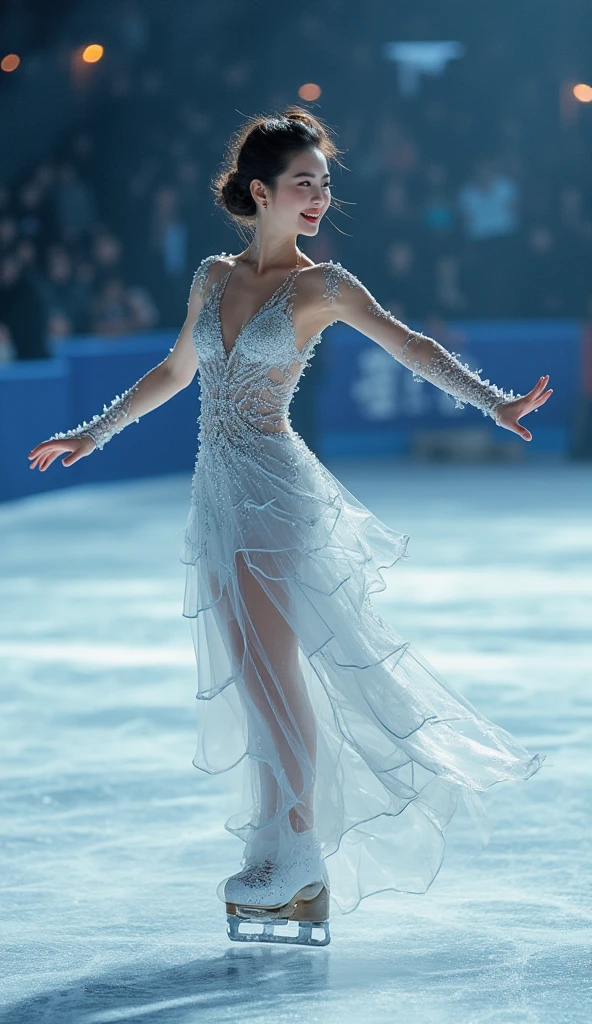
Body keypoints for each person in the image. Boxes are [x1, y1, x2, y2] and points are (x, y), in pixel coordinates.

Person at [28, 107, 552, 948]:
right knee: (255, 673)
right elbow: (174, 369)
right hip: (216, 492)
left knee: (277, 679)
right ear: (260, 192)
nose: (319, 198)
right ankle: (281, 848)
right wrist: (94, 432)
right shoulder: (209, 276)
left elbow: (411, 345)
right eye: (304, 184)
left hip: (275, 489)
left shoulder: (324, 287)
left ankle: (298, 849)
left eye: (324, 185)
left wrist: (495, 403)